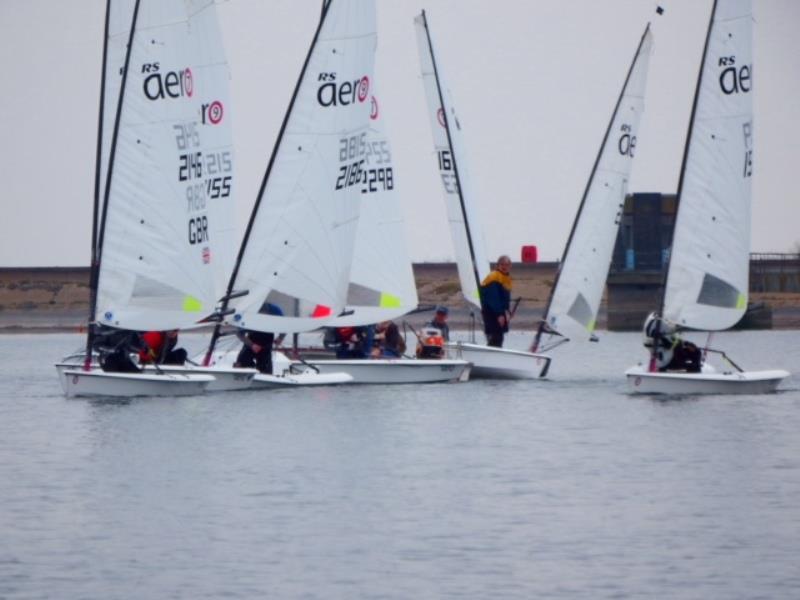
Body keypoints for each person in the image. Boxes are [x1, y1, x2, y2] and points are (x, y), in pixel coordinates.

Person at [235, 302, 285, 374]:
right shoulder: (248, 311)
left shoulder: (274, 309)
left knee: (265, 370)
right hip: (251, 343)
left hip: (266, 343)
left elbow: (285, 325)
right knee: (241, 364)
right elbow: (239, 333)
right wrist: (252, 345)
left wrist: (280, 338)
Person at [480, 255, 513, 347]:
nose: (504, 266)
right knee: (497, 337)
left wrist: (507, 311)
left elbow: (504, 298)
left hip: (499, 312)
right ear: (498, 265)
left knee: (499, 337)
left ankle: (493, 357)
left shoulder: (506, 277)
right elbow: (493, 297)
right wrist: (499, 314)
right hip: (491, 312)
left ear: (510, 266)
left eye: (507, 264)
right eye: (502, 264)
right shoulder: (494, 276)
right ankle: (490, 357)